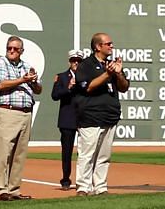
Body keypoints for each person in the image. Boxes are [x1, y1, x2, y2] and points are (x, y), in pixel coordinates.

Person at [73, 32, 127, 196]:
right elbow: (87, 87)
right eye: (108, 44)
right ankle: (83, 187)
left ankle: (100, 187)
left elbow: (124, 87)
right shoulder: (86, 65)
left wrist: (117, 73)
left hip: (109, 116)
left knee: (104, 156)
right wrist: (107, 74)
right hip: (90, 117)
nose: (111, 46)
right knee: (87, 154)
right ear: (98, 46)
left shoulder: (112, 64)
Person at [0, 36, 40, 200]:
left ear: (21, 51)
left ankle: (14, 190)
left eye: (15, 49)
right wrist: (22, 80)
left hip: (25, 112)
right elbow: (0, 85)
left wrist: (33, 81)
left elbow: (38, 90)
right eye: (9, 48)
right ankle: (2, 189)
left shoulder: (26, 66)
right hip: (6, 112)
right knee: (4, 152)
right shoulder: (0, 64)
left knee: (19, 154)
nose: (11, 51)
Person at [49, 49, 85, 191]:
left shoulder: (86, 76)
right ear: (69, 61)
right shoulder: (62, 76)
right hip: (67, 118)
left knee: (85, 151)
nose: (76, 63)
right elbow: (55, 95)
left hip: (84, 118)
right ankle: (65, 179)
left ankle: (84, 180)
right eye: (73, 60)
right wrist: (68, 88)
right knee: (67, 151)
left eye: (78, 60)